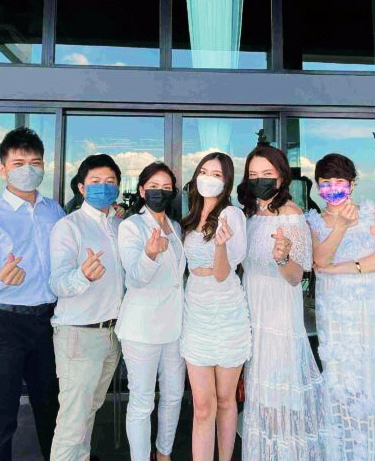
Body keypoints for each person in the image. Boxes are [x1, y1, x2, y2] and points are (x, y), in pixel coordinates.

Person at [305, 153, 375, 460]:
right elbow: (320, 260)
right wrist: (340, 225)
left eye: (339, 181)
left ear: (351, 184)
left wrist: (346, 267)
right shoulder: (313, 220)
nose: (332, 187)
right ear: (318, 186)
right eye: (325, 182)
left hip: (373, 308)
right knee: (342, 382)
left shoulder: (370, 213)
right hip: (336, 312)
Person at [0, 127, 65, 461]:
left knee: (52, 407)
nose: (28, 170)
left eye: (35, 163)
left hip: (47, 322)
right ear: (2, 168)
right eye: (18, 163)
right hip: (1, 323)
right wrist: (0, 278)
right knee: (0, 415)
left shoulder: (55, 211)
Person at [237, 142, 327, 460]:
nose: (259, 180)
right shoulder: (249, 214)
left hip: (278, 312)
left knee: (278, 393)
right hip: (251, 308)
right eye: (253, 175)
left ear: (281, 176)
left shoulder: (292, 215)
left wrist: (282, 257)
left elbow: (296, 276)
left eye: (266, 173)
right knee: (257, 391)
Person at [49, 154, 124, 460]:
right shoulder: (69, 227)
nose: (103, 187)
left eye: (110, 181)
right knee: (73, 420)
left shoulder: (118, 224)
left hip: (112, 333)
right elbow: (57, 282)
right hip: (80, 335)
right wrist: (83, 275)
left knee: (90, 409)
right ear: (81, 187)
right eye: (95, 181)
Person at [179, 152, 251, 461]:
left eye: (217, 174)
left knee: (224, 400)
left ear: (227, 182)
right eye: (204, 172)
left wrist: (220, 246)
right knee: (202, 406)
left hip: (226, 312)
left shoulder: (231, 215)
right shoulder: (190, 216)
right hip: (196, 312)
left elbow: (222, 274)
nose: (209, 178)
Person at [116, 162, 186, 461]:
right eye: (154, 186)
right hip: (142, 329)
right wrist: (149, 254)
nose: (160, 192)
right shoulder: (131, 226)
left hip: (175, 327)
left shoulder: (176, 226)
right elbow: (134, 278)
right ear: (142, 190)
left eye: (166, 187)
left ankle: (164, 452)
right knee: (142, 401)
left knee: (173, 395)